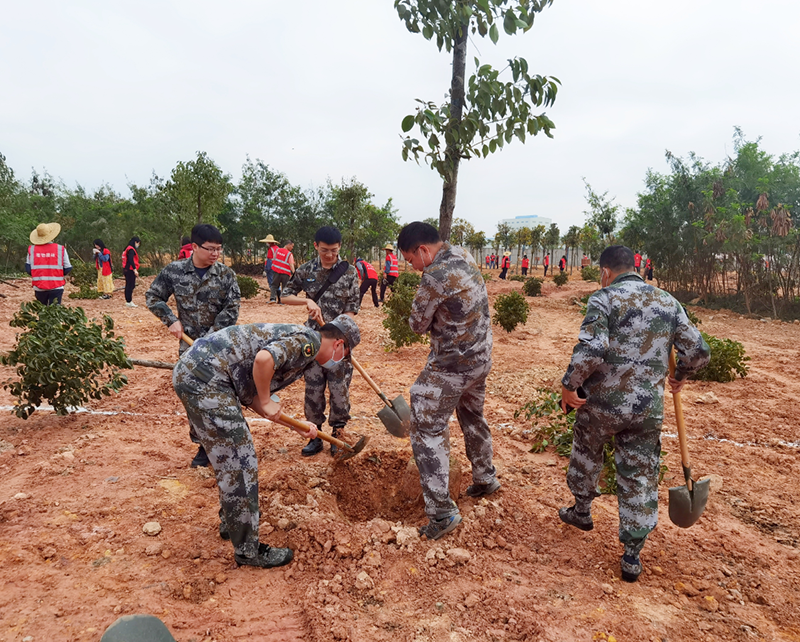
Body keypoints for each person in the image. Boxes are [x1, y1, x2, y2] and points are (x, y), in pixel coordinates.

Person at [559, 245, 710, 582]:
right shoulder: (668, 302)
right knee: (639, 474)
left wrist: (570, 384)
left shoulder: (604, 298)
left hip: (601, 404)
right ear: (637, 268)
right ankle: (631, 556)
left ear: (605, 271)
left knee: (586, 452)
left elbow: (593, 349)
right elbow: (699, 351)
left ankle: (582, 511)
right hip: (646, 409)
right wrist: (680, 375)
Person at [173, 315, 360, 568]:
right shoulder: (309, 342)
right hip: (207, 379)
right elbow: (264, 360)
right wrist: (266, 398)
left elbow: (254, 400)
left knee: (231, 458)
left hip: (198, 375)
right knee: (241, 460)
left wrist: (297, 426)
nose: (339, 361)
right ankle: (249, 551)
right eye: (345, 354)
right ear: (338, 344)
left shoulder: (303, 348)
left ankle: (233, 522)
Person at [398, 222, 498, 540]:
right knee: (471, 415)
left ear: (423, 251)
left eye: (410, 259)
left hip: (454, 365)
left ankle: (441, 512)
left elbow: (416, 323)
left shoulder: (435, 276)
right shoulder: (463, 254)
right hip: (481, 359)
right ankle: (485, 478)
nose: (410, 267)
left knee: (425, 423)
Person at [146, 223, 241, 468]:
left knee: (223, 394)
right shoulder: (174, 272)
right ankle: (203, 446)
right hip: (188, 350)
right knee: (194, 396)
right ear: (194, 247)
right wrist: (171, 320)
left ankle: (227, 443)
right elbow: (153, 296)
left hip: (219, 348)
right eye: (210, 249)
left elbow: (231, 309)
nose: (215, 254)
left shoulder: (225, 275)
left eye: (219, 249)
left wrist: (210, 339)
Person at [281, 226, 361, 457]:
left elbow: (352, 309)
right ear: (316, 246)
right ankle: (315, 436)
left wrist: (337, 334)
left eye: (334, 251)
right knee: (313, 389)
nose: (329, 255)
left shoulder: (349, 272)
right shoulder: (306, 270)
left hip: (338, 342)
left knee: (339, 389)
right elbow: (285, 295)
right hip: (313, 342)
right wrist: (305, 302)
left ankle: (338, 434)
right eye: (325, 250)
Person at [26, 222, 72, 305]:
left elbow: (28, 269)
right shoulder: (60, 249)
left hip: (39, 287)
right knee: (54, 313)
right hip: (57, 286)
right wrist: (58, 274)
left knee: (42, 313)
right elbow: (68, 267)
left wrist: (40, 275)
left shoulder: (32, 250)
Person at [269, 240, 295, 304]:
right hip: (285, 273)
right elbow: (291, 264)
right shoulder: (289, 254)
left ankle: (272, 299)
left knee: (274, 285)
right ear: (288, 245)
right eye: (292, 246)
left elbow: (273, 259)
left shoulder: (277, 250)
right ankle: (282, 301)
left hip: (276, 271)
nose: (292, 248)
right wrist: (294, 273)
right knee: (285, 287)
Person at [122, 237, 141, 308]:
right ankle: (129, 301)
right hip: (130, 270)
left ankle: (128, 301)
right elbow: (131, 260)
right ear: (135, 242)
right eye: (138, 243)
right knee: (130, 285)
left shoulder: (127, 248)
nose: (138, 245)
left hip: (126, 269)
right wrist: (134, 269)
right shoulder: (131, 250)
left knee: (130, 285)